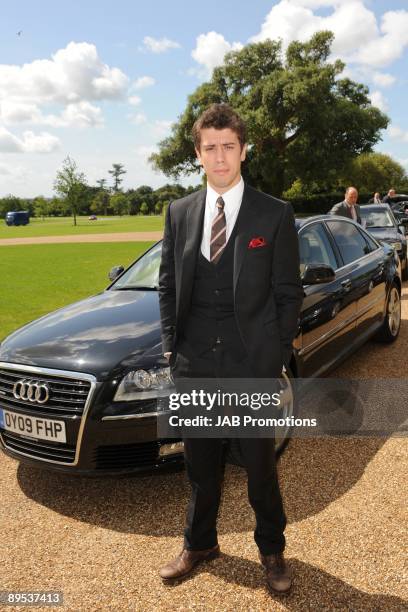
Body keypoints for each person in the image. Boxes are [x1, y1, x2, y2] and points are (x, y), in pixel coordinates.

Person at [158, 103, 303, 595]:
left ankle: (272, 550)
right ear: (198, 154)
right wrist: (169, 351)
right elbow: (167, 286)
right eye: (210, 148)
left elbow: (289, 293)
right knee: (199, 466)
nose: (220, 157)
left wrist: (275, 355)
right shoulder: (178, 213)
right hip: (195, 364)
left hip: (250, 365)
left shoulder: (275, 213)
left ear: (243, 150)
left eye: (228, 147)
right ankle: (199, 544)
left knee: (259, 465)